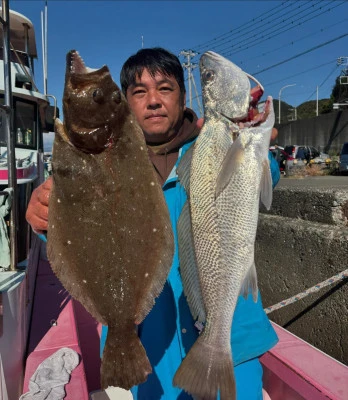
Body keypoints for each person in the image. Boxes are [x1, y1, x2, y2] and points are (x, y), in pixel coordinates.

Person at [26, 47, 280, 400]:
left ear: (184, 96)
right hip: (152, 348)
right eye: (139, 92)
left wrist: (254, 141)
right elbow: (79, 236)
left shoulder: (216, 144)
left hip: (232, 345)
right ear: (125, 103)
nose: (154, 101)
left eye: (165, 88)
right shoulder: (103, 167)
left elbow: (263, 175)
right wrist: (44, 218)